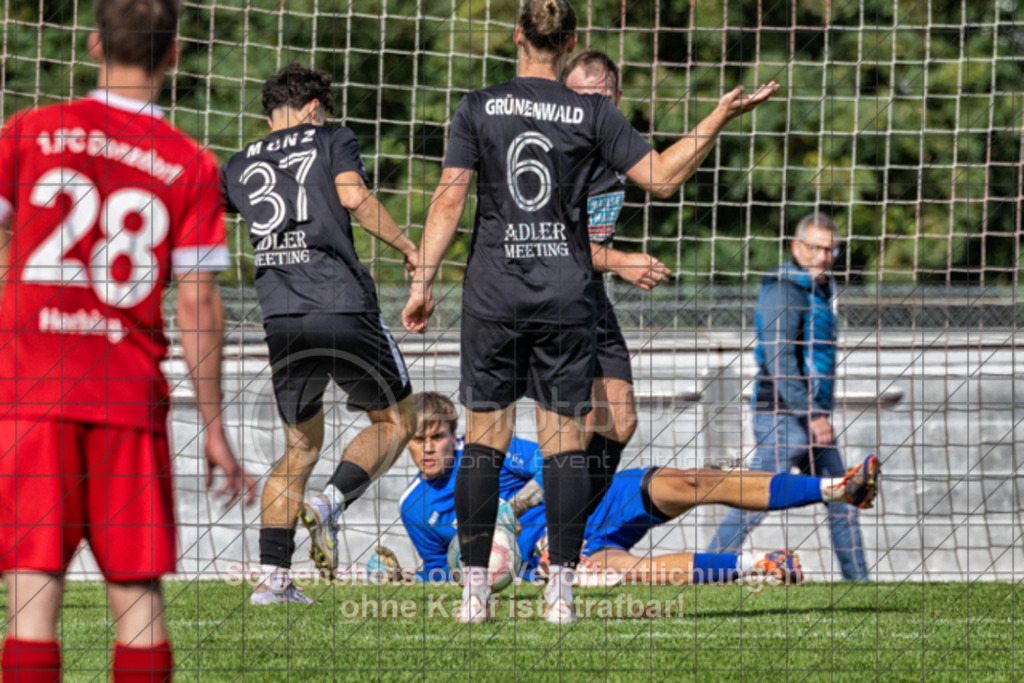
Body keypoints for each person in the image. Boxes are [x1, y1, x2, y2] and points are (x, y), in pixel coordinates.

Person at [402, 0, 779, 625]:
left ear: (518, 36)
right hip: (564, 294)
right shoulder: (592, 111)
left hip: (493, 290)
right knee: (565, 443)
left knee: (486, 440)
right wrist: (715, 116)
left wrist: (422, 280)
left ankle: (473, 594)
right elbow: (660, 178)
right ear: (570, 42)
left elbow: (449, 198)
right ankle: (561, 594)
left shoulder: (477, 106)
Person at [0, 0, 256, 678]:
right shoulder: (191, 164)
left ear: (91, 45)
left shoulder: (30, 131)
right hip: (126, 400)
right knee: (138, 600)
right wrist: (214, 425)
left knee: (32, 597)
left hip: (32, 393)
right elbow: (198, 301)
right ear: (174, 53)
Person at [222, 64, 419, 604]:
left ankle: (273, 581)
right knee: (400, 418)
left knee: (300, 445)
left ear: (269, 115)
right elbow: (353, 197)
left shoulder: (238, 164)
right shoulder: (333, 137)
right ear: (313, 108)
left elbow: (197, 219)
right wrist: (410, 249)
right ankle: (331, 504)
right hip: (342, 305)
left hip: (280, 317)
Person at [563, 49, 778, 524]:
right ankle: (541, 525)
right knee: (575, 423)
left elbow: (665, 176)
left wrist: (720, 114)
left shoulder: (613, 143)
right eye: (579, 98)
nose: (590, 107)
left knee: (621, 419)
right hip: (544, 294)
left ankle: (558, 526)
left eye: (599, 98)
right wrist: (619, 261)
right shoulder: (559, 152)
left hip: (588, 294)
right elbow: (549, 244)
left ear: (616, 99)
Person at [381, 393, 879, 591]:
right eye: (417, 441)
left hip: (593, 502)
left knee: (695, 481)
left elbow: (561, 467)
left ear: (455, 434)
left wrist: (512, 510)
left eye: (436, 437)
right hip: (555, 558)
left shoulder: (490, 449)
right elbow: (443, 570)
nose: (428, 449)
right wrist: (409, 580)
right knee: (637, 575)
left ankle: (837, 487)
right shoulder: (413, 508)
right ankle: (762, 566)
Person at [706, 214, 872, 581]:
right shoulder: (784, 289)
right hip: (783, 413)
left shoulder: (821, 289)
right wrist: (813, 412)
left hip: (810, 415)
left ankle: (859, 582)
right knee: (758, 497)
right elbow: (780, 358)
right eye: (816, 248)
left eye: (831, 249)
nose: (824, 256)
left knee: (844, 498)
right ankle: (709, 565)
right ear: (797, 248)